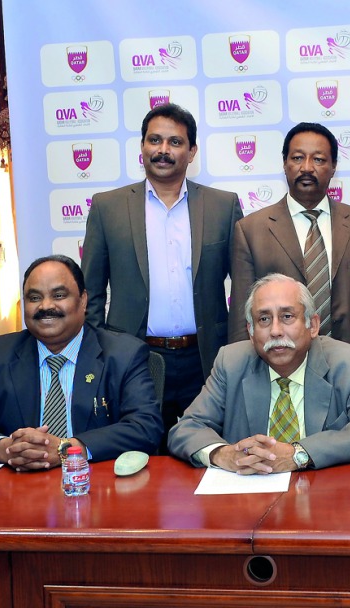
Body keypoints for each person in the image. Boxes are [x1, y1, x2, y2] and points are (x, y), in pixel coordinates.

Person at [81, 103, 243, 435]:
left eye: (175, 142)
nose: (163, 150)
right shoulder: (107, 207)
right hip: (132, 358)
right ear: (142, 147)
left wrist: (237, 351)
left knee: (205, 451)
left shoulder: (222, 206)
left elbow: (243, 287)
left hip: (205, 359)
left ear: (192, 151)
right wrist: (101, 352)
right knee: (137, 454)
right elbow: (90, 292)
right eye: (154, 140)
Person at [0, 255, 163, 469]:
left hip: (97, 487)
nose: (45, 306)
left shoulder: (123, 354)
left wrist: (67, 449)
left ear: (83, 300)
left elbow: (145, 427)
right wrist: (9, 449)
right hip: (20, 489)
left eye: (59, 295)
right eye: (34, 298)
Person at [168, 273, 350, 474]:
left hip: (324, 500)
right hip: (248, 502)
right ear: (251, 331)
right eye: (264, 319)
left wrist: (298, 454)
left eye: (287, 316)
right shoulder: (231, 362)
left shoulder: (348, 364)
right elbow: (187, 428)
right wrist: (223, 455)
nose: (275, 331)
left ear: (312, 325)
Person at [228, 122, 350, 354]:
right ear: (284, 164)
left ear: (334, 166)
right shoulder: (250, 230)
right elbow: (240, 318)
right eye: (297, 158)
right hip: (279, 363)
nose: (307, 168)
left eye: (318, 159)